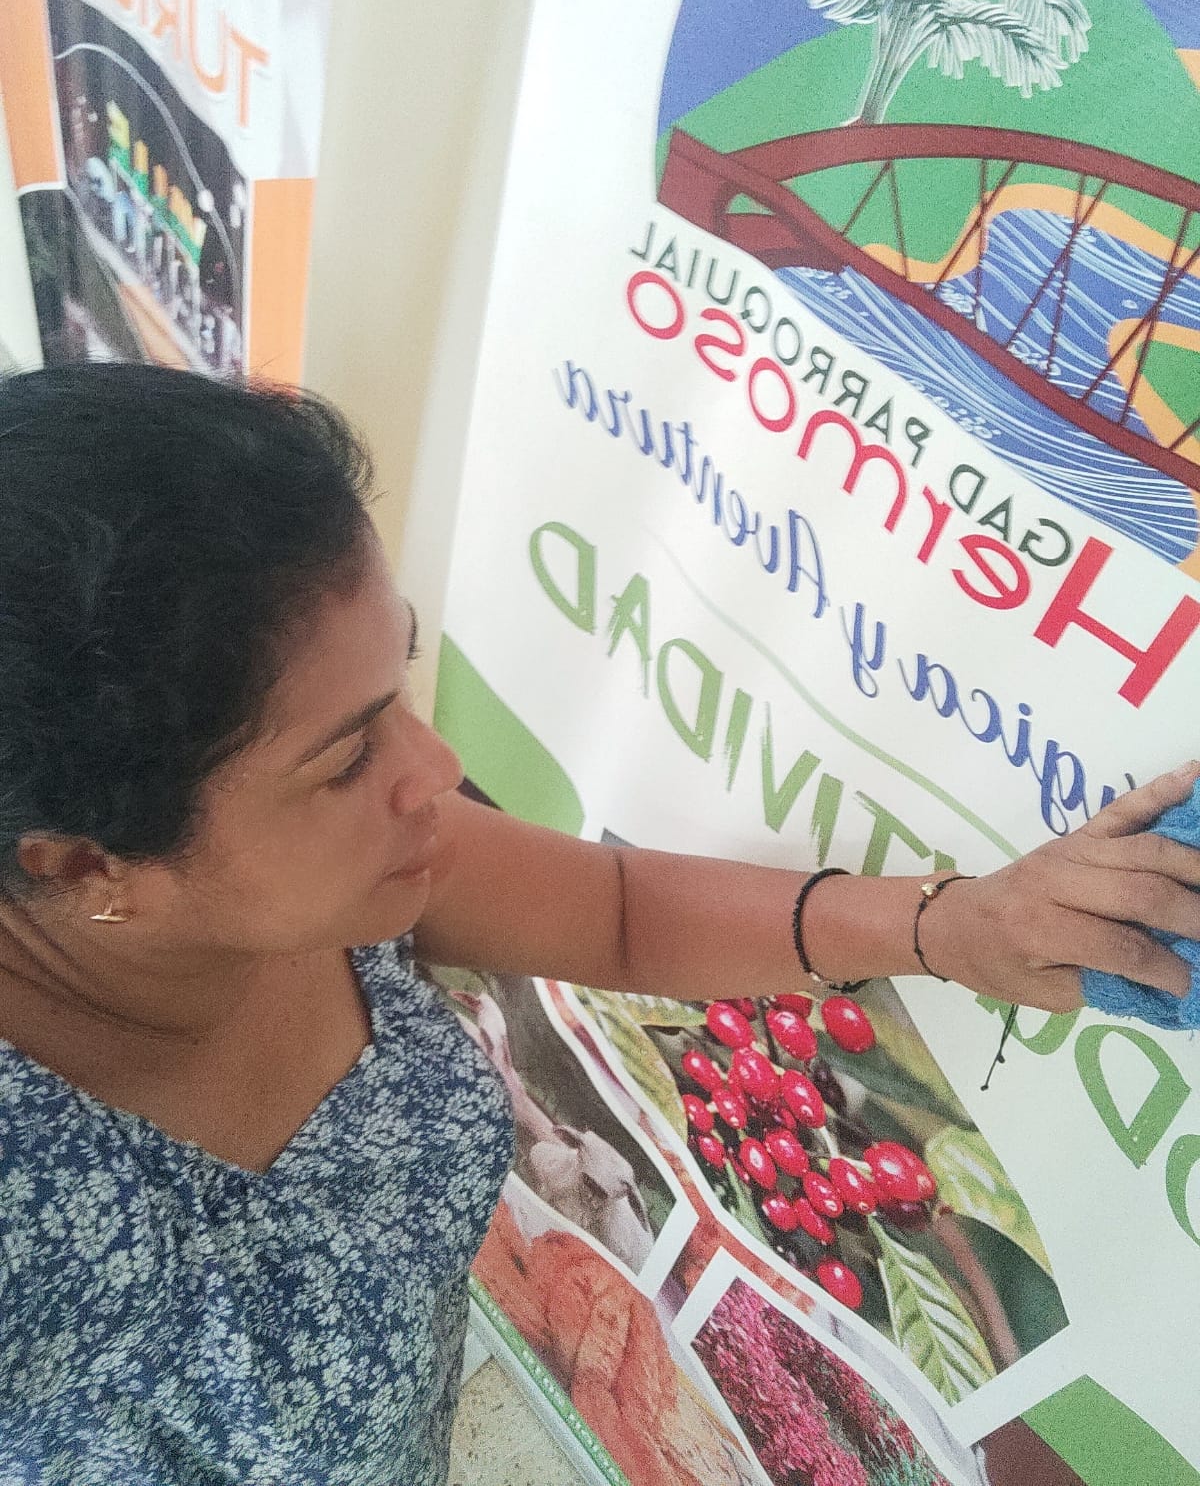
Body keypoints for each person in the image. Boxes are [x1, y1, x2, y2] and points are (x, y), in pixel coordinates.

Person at [0, 363, 1194, 1486]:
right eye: (347, 757)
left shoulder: (330, 877)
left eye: (398, 685)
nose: (436, 768)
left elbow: (619, 912)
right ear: (93, 867)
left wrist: (955, 927)